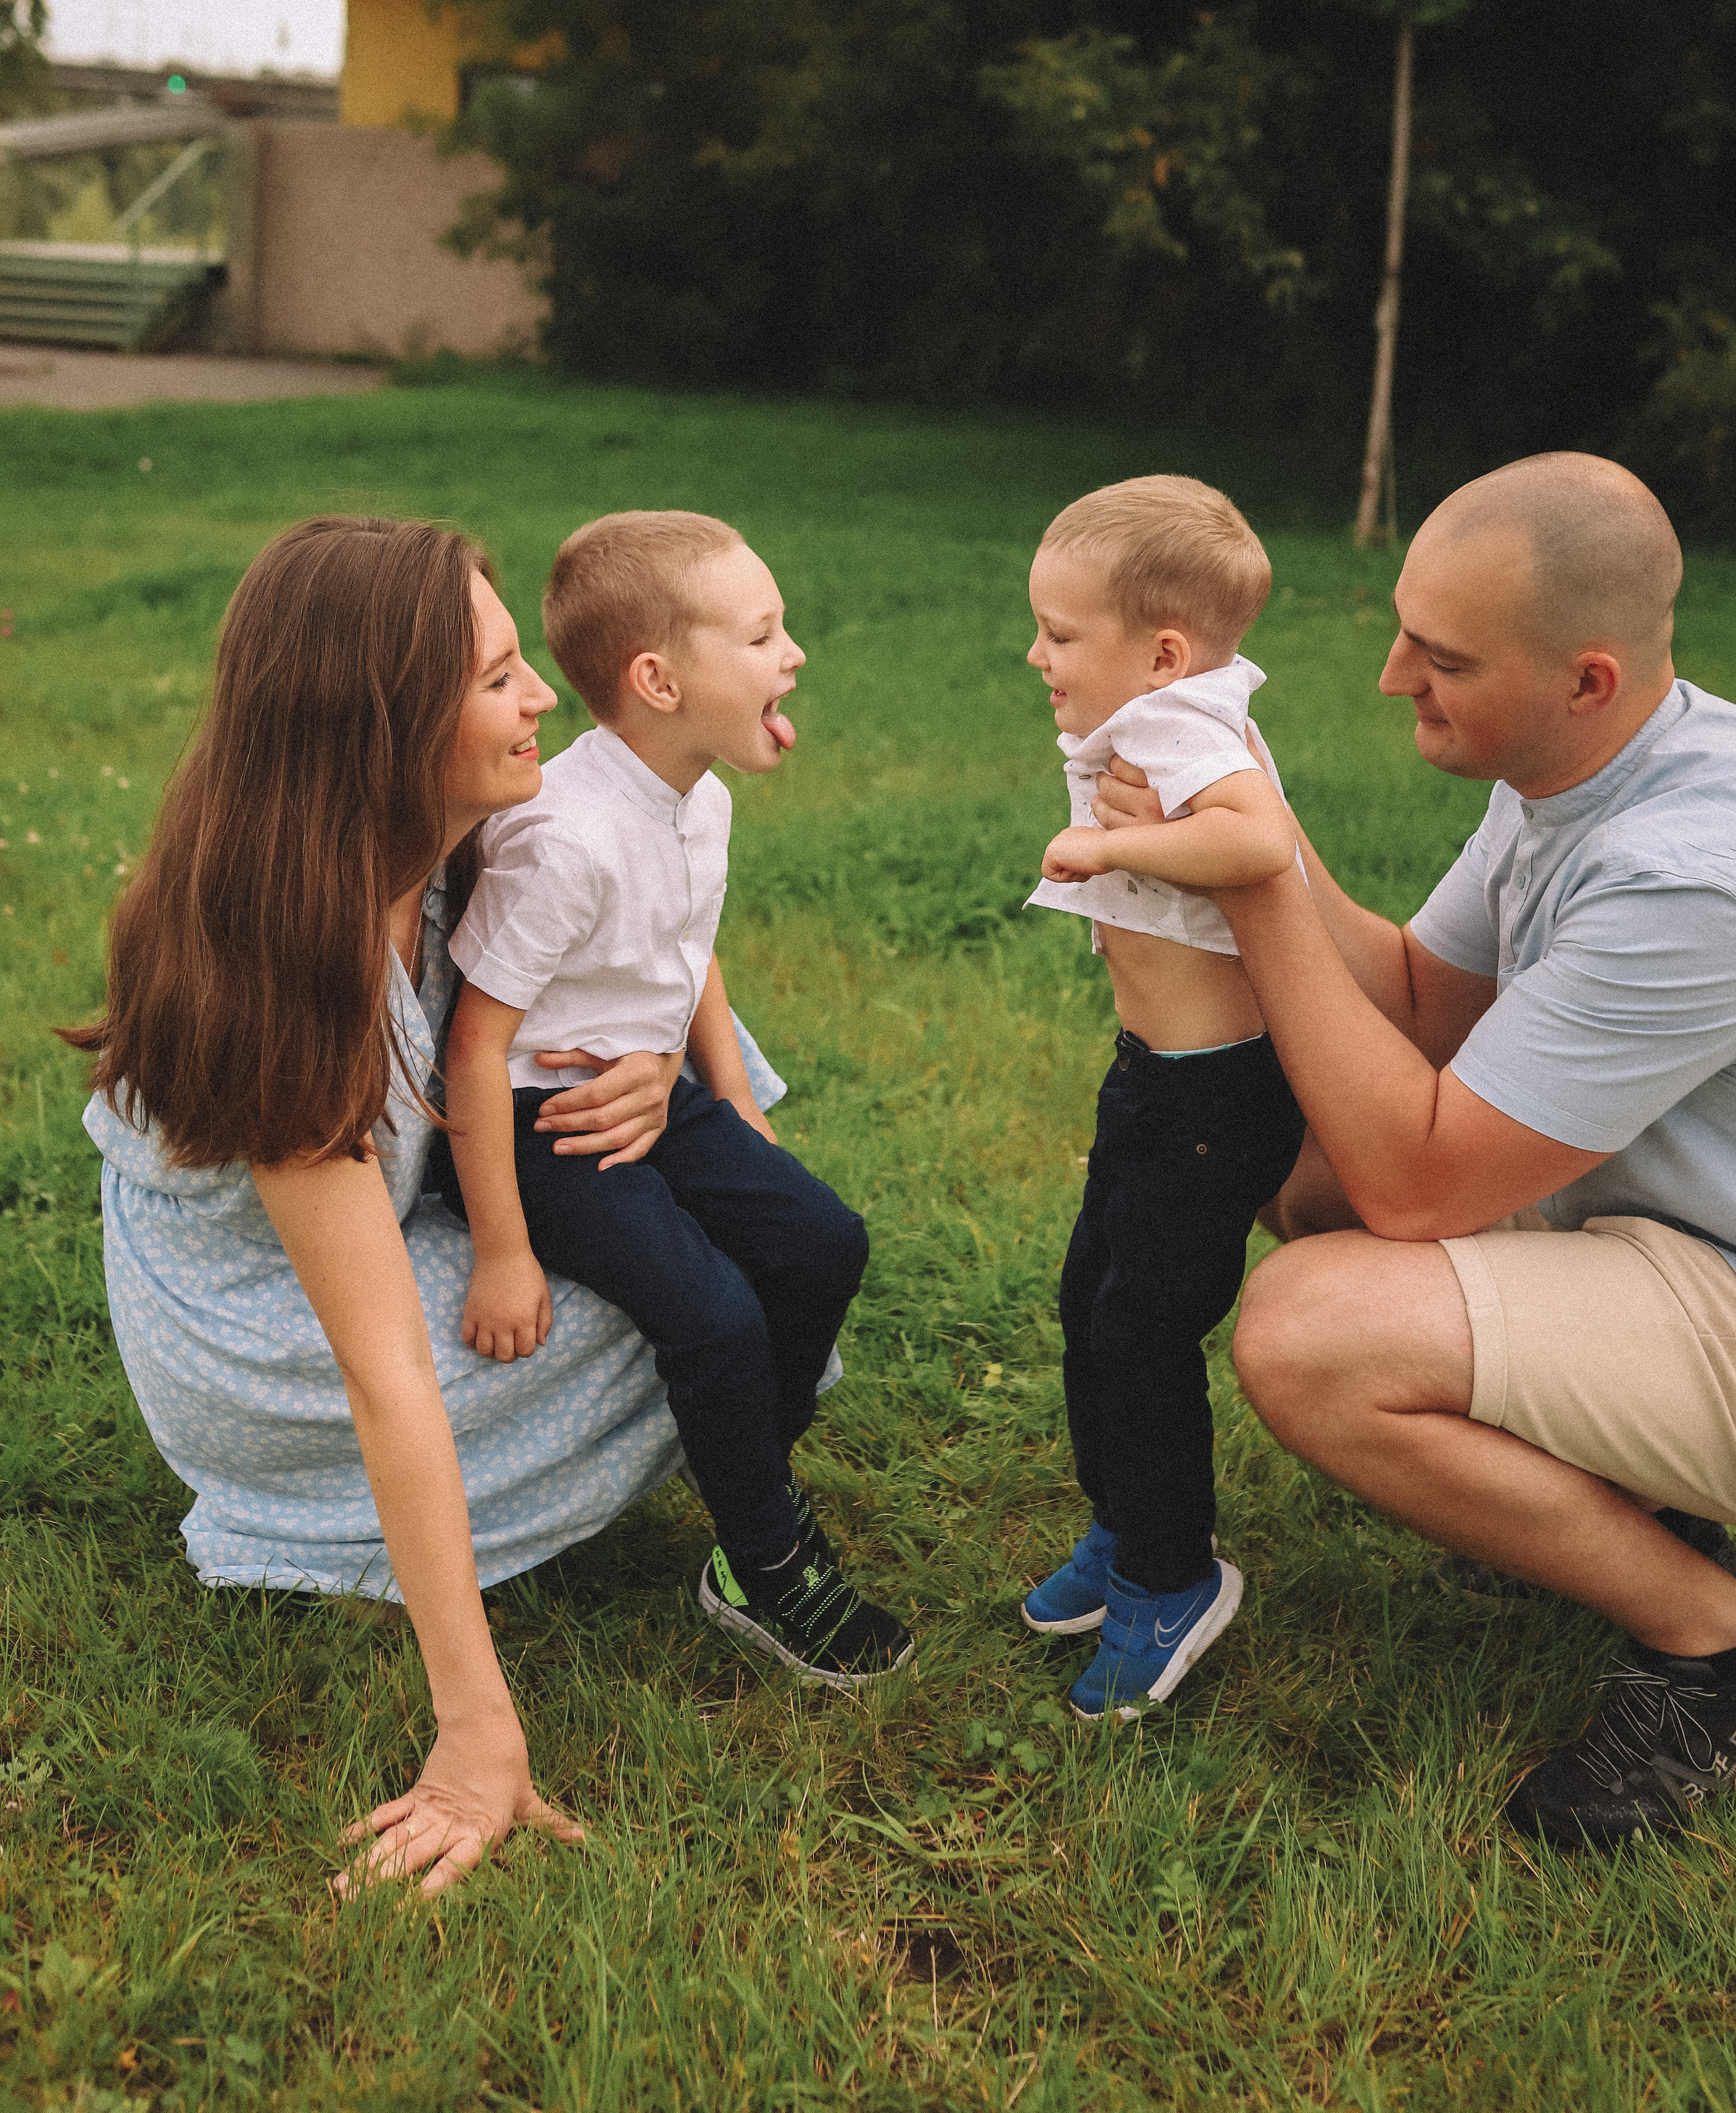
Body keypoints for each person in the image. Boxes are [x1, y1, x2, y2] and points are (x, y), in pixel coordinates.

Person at [1094, 452, 1736, 1844]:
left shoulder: (1704, 877)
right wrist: (1248, 808)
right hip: (1710, 1245)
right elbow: (1425, 1010)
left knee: (1310, 1331)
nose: (1393, 677)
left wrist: (1259, 886)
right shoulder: (1577, 771)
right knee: (1289, 1157)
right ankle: (1633, 1503)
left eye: (1441, 656)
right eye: (1403, 630)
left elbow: (1417, 1178)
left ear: (1588, 680)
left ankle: (1735, 1656)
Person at [68, 515, 764, 1893]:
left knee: (705, 1208)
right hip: (267, 1335)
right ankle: (326, 1522)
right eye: (501, 677)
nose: (545, 699)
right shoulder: (286, 962)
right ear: (381, 726)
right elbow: (386, 1376)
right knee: (680, 1294)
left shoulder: (449, 839)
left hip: (394, 1215)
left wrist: (648, 1063)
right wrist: (475, 1742)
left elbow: (621, 947)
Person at [429, 508, 914, 1690]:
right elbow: (475, 1042)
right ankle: (761, 1564)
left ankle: (749, 1475)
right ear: (657, 679)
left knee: (823, 1244)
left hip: (653, 1093)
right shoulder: (565, 838)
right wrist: (501, 1246)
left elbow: (688, 950)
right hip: (545, 1122)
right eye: (761, 636)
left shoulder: (701, 795)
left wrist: (734, 1097)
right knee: (715, 1316)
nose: (792, 655)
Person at [1017, 477, 1306, 1719]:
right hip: (1157, 1086)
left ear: (1165, 652)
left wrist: (1114, 846)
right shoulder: (1168, 708)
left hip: (1213, 1098)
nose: (1038, 655)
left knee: (1138, 1329)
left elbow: (1258, 844)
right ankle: (1125, 1523)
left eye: (1061, 635)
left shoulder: (1182, 724)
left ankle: (1170, 1575)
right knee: (1095, 1300)